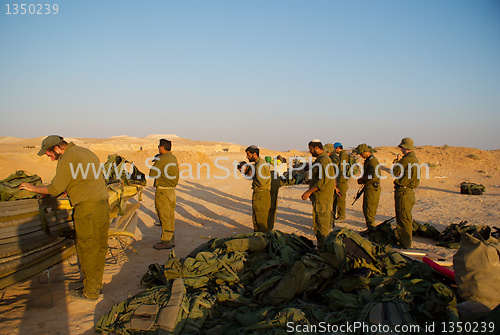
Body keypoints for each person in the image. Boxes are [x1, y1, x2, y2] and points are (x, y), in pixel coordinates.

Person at [19, 135, 109, 301]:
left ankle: (90, 292)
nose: (50, 158)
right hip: (102, 205)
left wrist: (32, 188)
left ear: (56, 148)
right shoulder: (86, 153)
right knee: (99, 246)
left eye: (49, 154)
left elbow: (54, 188)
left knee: (87, 248)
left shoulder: (67, 158)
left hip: (87, 208)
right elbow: (88, 178)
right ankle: (96, 285)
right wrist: (72, 188)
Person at [301, 140, 335, 250]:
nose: (310, 151)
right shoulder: (322, 159)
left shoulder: (324, 160)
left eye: (310, 149)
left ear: (316, 148)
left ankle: (323, 251)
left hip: (322, 198)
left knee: (321, 226)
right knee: (320, 224)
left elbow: (323, 180)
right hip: (321, 198)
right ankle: (322, 248)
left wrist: (309, 192)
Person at [150, 139, 179, 250]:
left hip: (163, 191)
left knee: (164, 216)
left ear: (162, 147)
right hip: (171, 191)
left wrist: (157, 160)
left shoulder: (163, 159)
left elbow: (152, 173)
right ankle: (170, 239)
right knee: (169, 216)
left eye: (159, 146)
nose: (158, 148)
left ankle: (166, 241)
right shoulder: (173, 157)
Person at [392, 138, 420, 249]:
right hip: (408, 192)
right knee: (404, 217)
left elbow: (395, 172)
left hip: (404, 191)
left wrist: (397, 161)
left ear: (405, 147)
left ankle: (405, 244)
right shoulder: (414, 159)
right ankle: (403, 242)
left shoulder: (407, 159)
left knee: (403, 218)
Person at [245, 145, 272, 233]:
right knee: (257, 218)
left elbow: (261, 183)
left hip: (261, 195)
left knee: (261, 221)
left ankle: (262, 242)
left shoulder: (260, 164)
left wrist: (252, 175)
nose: (247, 157)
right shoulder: (259, 163)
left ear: (254, 154)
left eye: (248, 155)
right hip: (260, 195)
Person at [355, 143, 381, 229]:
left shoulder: (373, 161)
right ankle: (370, 229)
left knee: (370, 210)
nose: (361, 155)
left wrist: (362, 179)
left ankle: (372, 231)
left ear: (366, 152)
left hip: (372, 188)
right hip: (369, 187)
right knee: (366, 209)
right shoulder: (369, 160)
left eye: (361, 153)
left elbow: (372, 176)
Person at [333, 142, 349, 224]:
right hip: (342, 180)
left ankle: (341, 217)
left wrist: (338, 181)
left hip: (342, 180)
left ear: (337, 148)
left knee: (341, 199)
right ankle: (340, 215)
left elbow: (341, 169)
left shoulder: (343, 155)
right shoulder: (344, 154)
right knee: (339, 199)